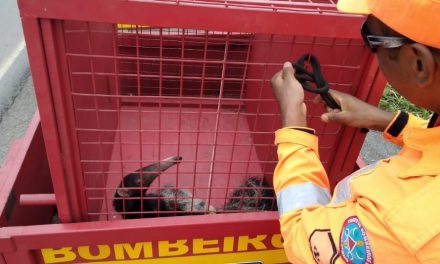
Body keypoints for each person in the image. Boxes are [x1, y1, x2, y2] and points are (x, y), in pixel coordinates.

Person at [270, 0, 440, 263]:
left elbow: (303, 237)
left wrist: (293, 128)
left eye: (370, 38)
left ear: (419, 63)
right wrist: (386, 121)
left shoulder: (401, 224)